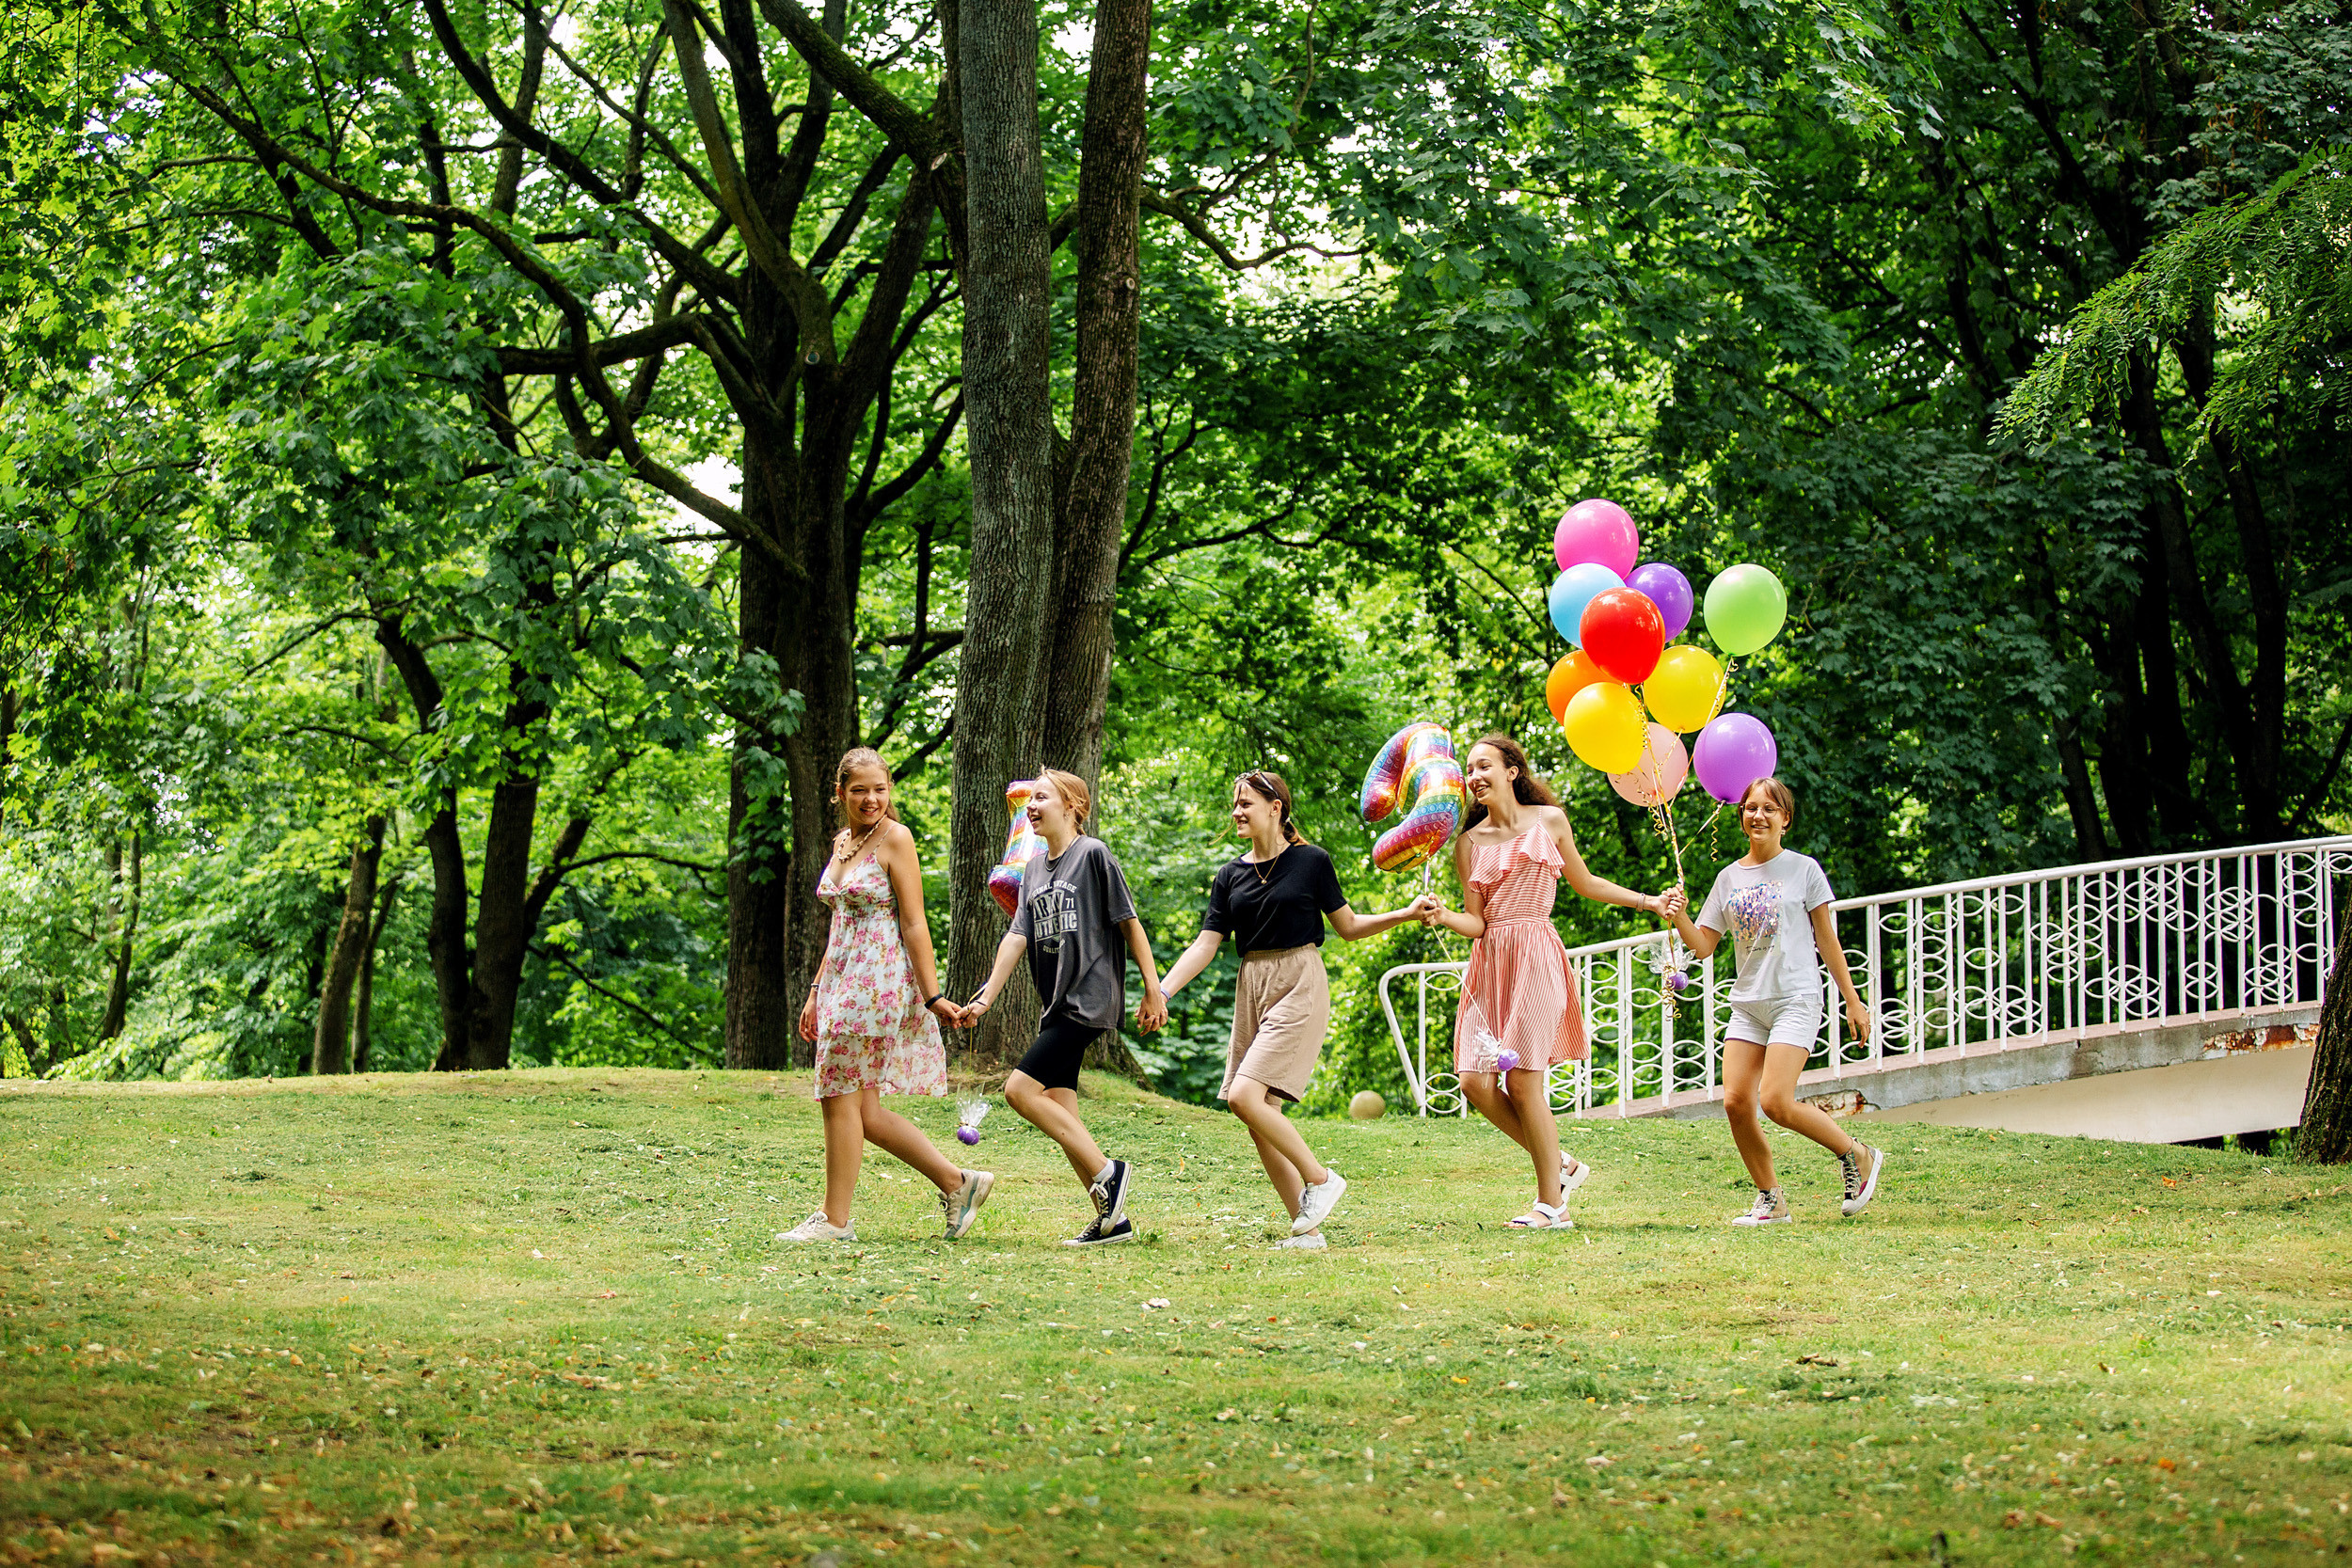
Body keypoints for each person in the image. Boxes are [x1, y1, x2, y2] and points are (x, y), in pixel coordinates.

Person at [1157, 770, 1439, 1250]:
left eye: (1246, 803)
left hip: (1300, 981)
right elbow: (1206, 945)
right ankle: (1306, 1229)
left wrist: (1407, 913)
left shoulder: (1311, 862)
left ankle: (1321, 1178)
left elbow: (1348, 926)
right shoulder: (1230, 875)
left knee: (1245, 1097)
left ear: (1276, 807)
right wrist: (1162, 992)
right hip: (1254, 983)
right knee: (1258, 1112)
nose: (1237, 812)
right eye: (1236, 804)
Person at [1422, 734, 1668, 1228]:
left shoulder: (1549, 822)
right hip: (1489, 966)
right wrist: (1444, 916)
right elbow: (1477, 922)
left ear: (1512, 770)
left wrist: (1649, 902)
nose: (1474, 776)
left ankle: (1551, 1205)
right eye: (1469, 769)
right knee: (1473, 1078)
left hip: (1536, 956)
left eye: (1484, 765)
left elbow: (1587, 883)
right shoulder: (1469, 843)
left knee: (1524, 1081)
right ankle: (1561, 1166)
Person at [785, 748, 992, 1243]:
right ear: (841, 793)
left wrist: (932, 995)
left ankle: (835, 1222)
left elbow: (914, 921)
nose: (870, 798)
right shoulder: (842, 842)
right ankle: (958, 1182)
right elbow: (840, 924)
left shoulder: (895, 839)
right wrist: (816, 990)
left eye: (879, 788)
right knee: (865, 1111)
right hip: (841, 976)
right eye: (859, 789)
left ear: (889, 789)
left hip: (876, 980)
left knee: (837, 1094)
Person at [1660, 775, 1883, 1225]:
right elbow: (1703, 946)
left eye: (1768, 808)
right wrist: (1679, 915)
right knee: (1736, 1102)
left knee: (1776, 1101)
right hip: (1749, 1002)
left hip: (1795, 997)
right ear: (1741, 816)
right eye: (1749, 808)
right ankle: (1771, 1199)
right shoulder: (1728, 878)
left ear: (1786, 819)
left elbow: (1828, 940)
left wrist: (1853, 1001)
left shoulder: (1804, 870)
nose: (1757, 815)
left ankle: (1857, 1153)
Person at [963, 769, 1168, 1246]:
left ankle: (1108, 1173)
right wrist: (986, 997)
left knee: (1018, 1091)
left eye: (1042, 797)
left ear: (1073, 805)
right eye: (1029, 799)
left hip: (1089, 995)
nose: (1031, 806)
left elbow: (1129, 923)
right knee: (1062, 1110)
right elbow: (1017, 935)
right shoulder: (1034, 868)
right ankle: (1112, 1222)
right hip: (1057, 1001)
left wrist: (1153, 988)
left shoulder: (1092, 854)